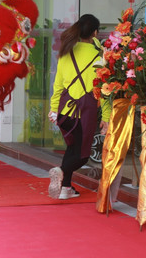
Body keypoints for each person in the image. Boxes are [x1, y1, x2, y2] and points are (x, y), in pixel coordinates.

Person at [48, 14, 110, 200]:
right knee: (82, 155)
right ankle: (60, 171)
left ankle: (66, 188)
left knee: (72, 149)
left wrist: (53, 109)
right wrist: (106, 117)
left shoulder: (66, 52)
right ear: (95, 33)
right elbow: (104, 90)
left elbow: (57, 85)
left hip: (65, 111)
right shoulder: (100, 56)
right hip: (84, 112)